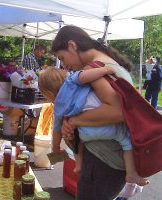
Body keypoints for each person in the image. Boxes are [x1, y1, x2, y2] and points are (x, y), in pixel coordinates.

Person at [50, 25, 145, 199]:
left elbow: (118, 111)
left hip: (103, 162)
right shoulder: (108, 63)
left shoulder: (94, 70)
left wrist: (74, 121)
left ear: (72, 45)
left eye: (62, 58)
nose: (64, 65)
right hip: (108, 161)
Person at [38, 67, 149, 186]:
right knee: (126, 140)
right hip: (103, 126)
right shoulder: (71, 80)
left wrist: (55, 148)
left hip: (84, 133)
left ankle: (79, 164)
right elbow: (87, 75)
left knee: (76, 140)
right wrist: (105, 70)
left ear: (50, 94)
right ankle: (131, 173)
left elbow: (56, 131)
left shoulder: (57, 109)